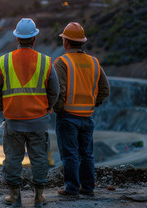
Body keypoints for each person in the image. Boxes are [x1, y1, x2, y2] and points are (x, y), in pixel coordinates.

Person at [0, 18, 59, 207]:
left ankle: (14, 196)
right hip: (38, 120)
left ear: (17, 38)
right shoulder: (46, 61)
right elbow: (55, 91)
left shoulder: (4, 61)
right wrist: (47, 108)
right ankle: (39, 196)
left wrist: (5, 109)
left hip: (13, 121)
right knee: (39, 158)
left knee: (13, 158)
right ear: (34, 38)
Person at [53, 22, 110, 196]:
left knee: (70, 154)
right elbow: (105, 88)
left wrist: (58, 108)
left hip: (68, 116)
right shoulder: (93, 62)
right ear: (82, 42)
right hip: (87, 117)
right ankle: (88, 188)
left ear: (66, 42)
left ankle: (71, 188)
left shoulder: (62, 62)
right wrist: (94, 103)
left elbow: (59, 90)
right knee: (87, 154)